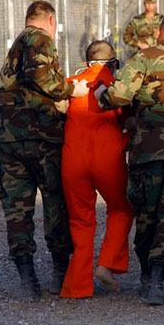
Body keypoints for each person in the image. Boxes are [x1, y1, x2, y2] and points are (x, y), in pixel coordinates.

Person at [95, 14, 164, 305]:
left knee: (147, 210)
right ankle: (157, 278)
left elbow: (119, 96)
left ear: (158, 32)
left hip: (149, 149)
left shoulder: (143, 58)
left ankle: (147, 276)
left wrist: (100, 94)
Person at [0, 0, 88, 302]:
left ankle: (27, 279)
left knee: (17, 211)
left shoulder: (18, 43)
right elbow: (40, 74)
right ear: (51, 19)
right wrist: (72, 91)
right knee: (57, 204)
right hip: (40, 137)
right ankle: (60, 274)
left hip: (7, 137)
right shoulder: (38, 38)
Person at [59, 41, 135, 298]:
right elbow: (130, 119)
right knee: (121, 208)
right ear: (113, 62)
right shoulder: (117, 89)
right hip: (108, 159)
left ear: (86, 60)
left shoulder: (71, 84)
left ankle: (77, 286)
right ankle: (107, 264)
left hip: (73, 160)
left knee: (80, 220)